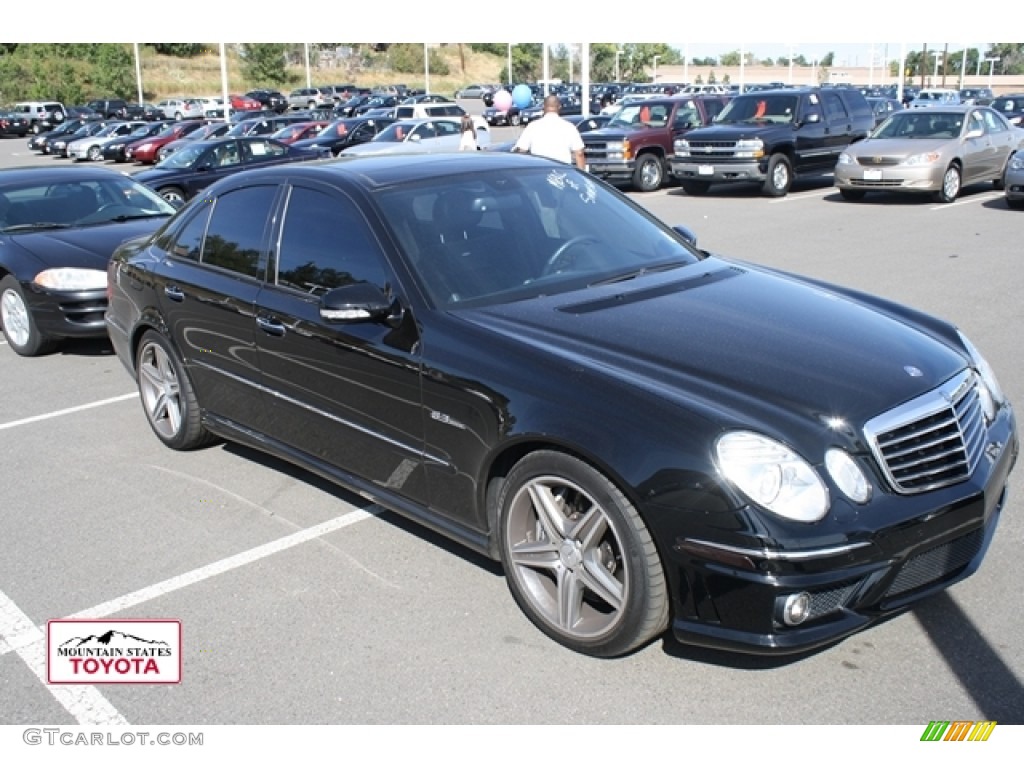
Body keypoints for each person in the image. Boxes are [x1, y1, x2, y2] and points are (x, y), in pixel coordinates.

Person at [512, 95, 585, 169]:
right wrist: (582, 177)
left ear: (543, 106)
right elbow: (579, 153)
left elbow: (521, 151)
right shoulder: (569, 127)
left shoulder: (533, 126)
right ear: (559, 107)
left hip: (539, 172)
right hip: (562, 172)